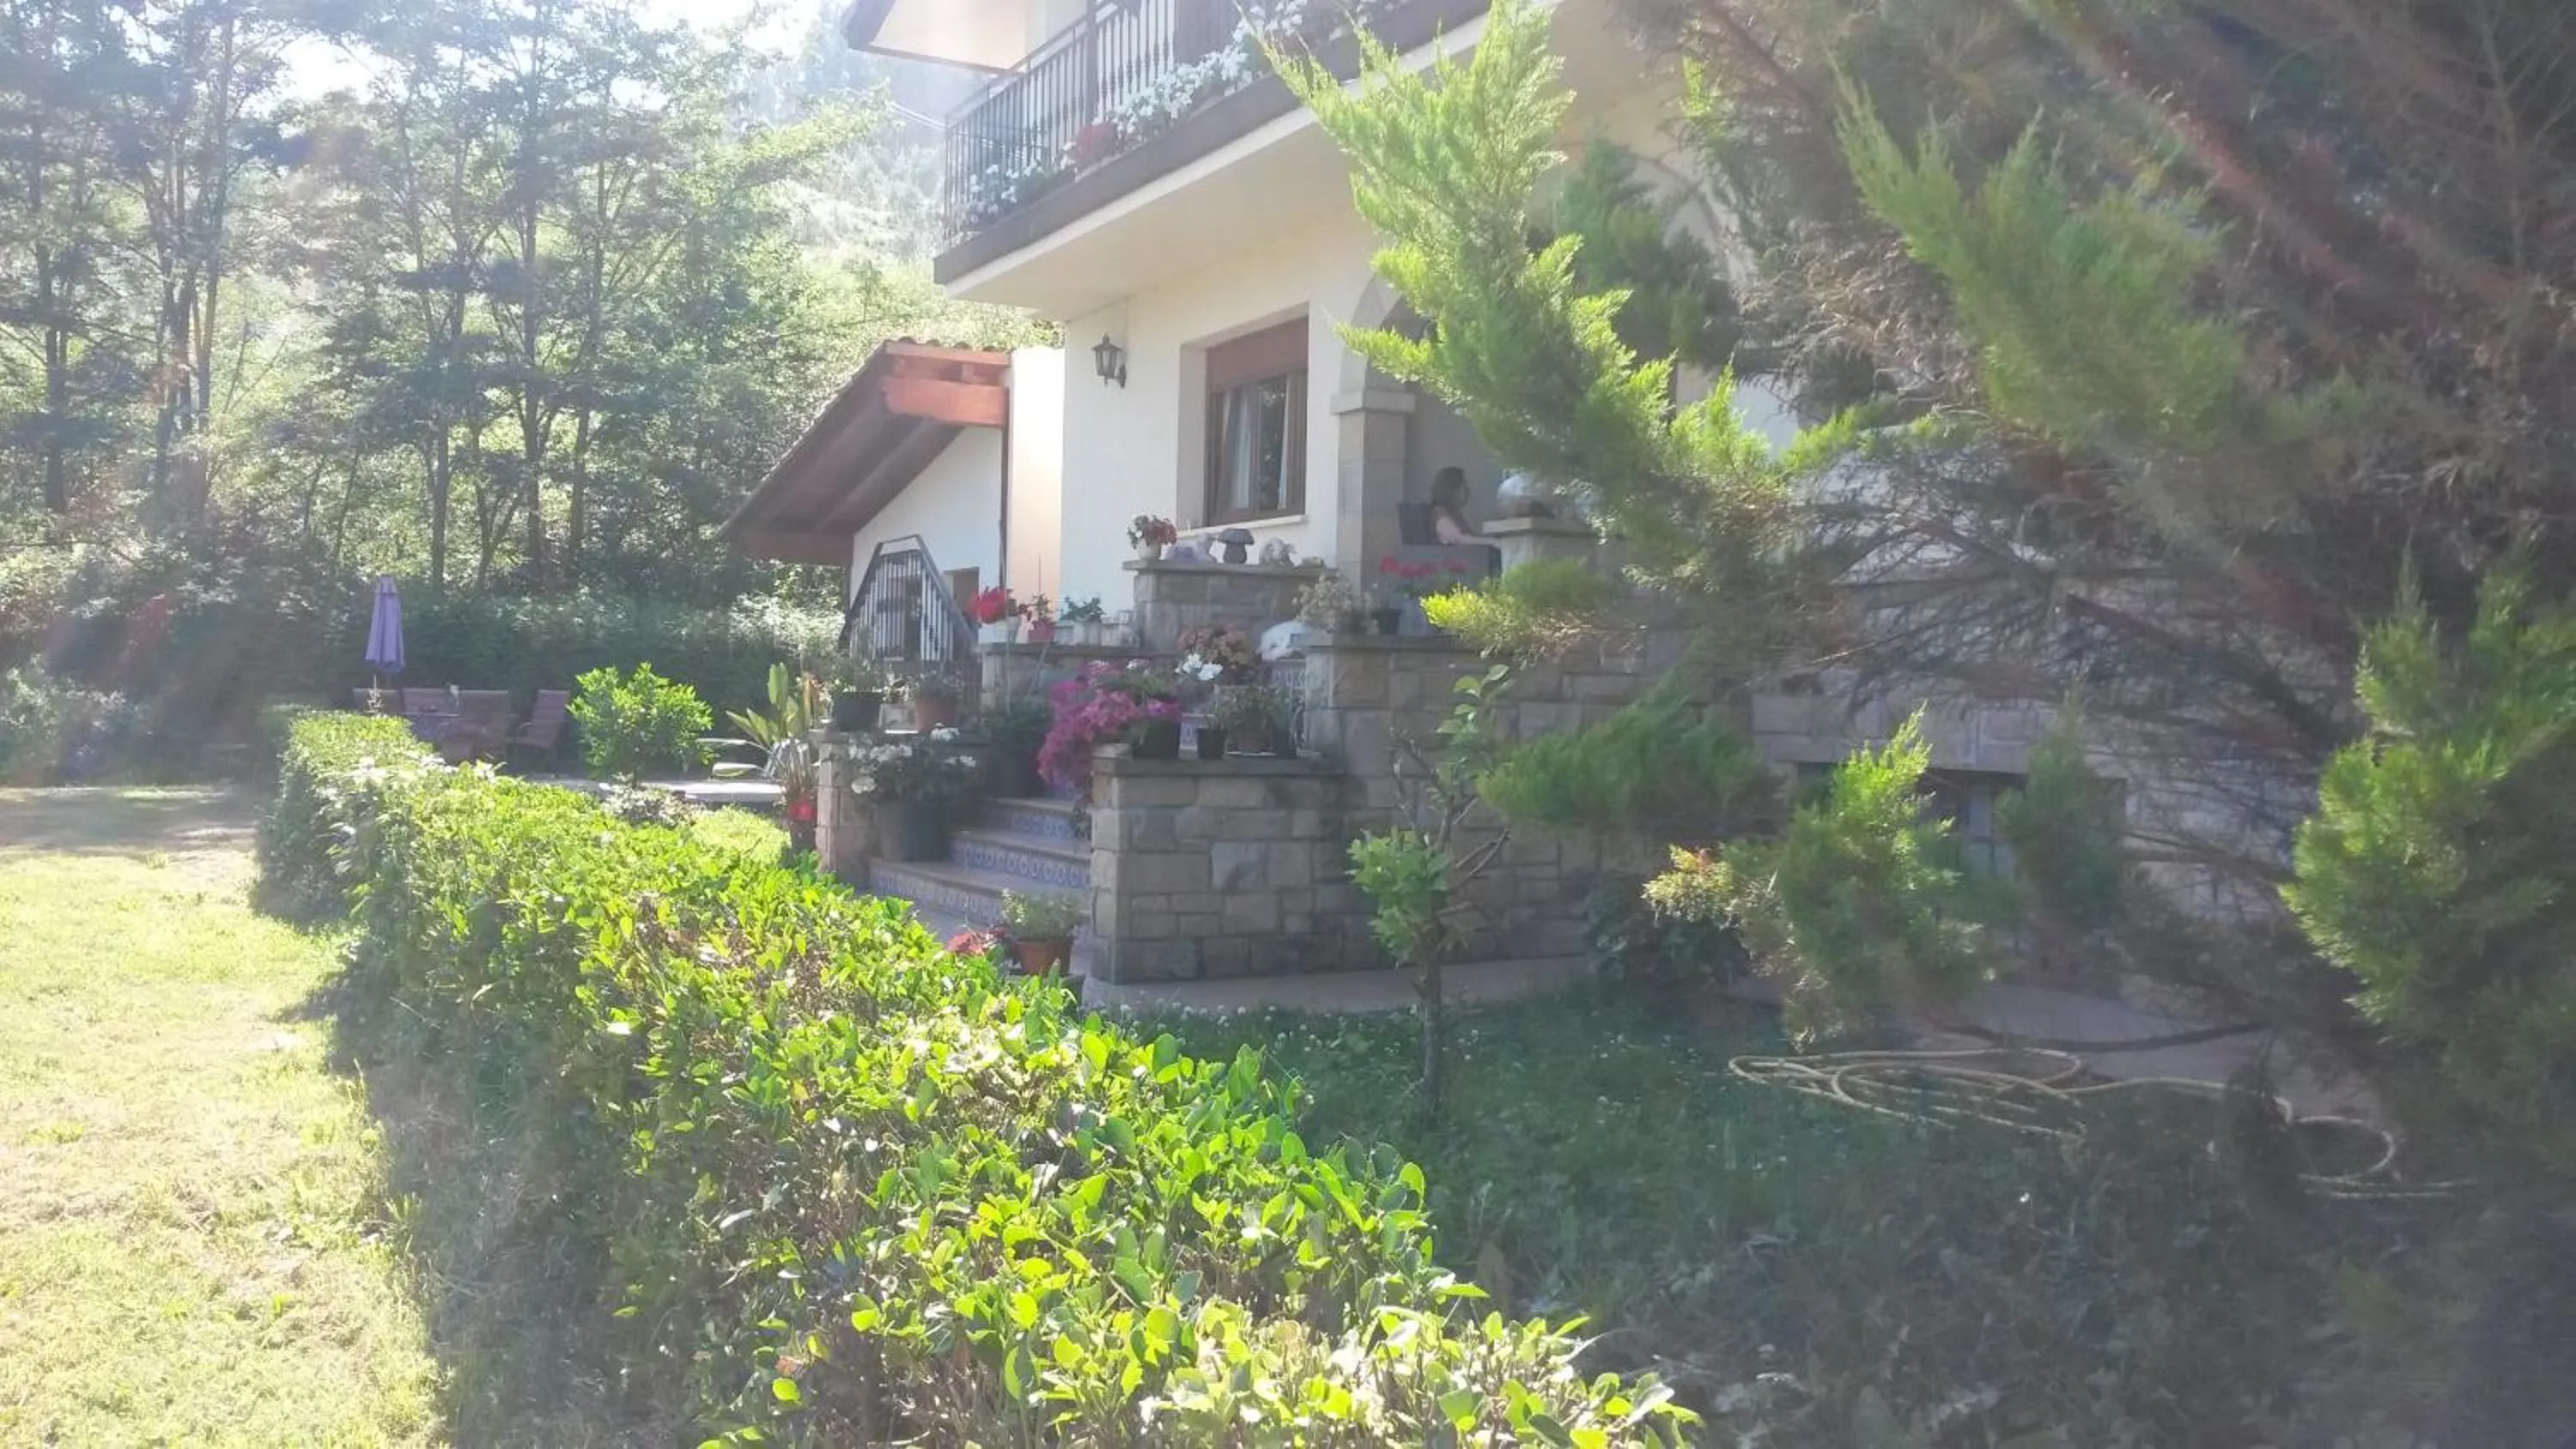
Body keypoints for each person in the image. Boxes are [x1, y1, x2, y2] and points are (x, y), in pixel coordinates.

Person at [1429, 467, 1484, 546]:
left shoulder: (1454, 513)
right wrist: (1494, 542)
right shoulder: (1440, 512)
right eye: (1464, 487)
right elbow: (1459, 539)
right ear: (1452, 490)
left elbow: (1471, 536)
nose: (1468, 490)